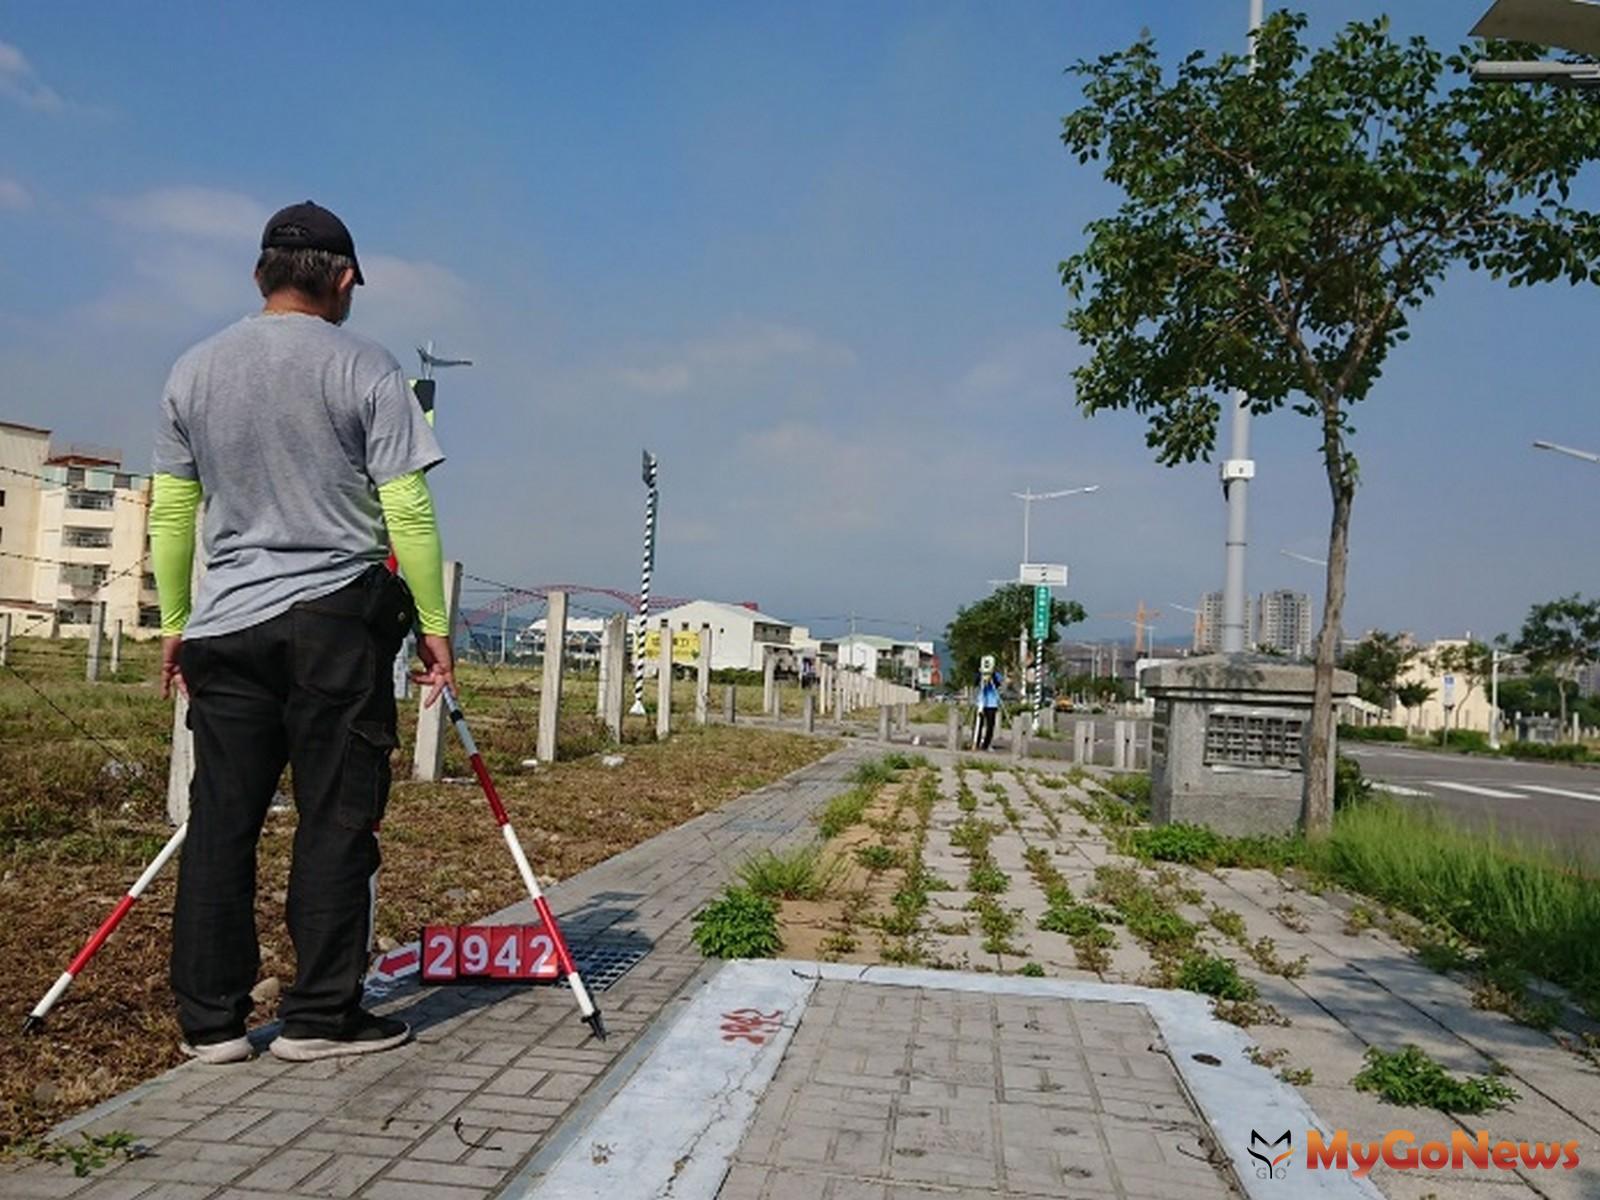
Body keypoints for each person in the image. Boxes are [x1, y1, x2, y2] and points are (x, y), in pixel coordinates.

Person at [149, 201, 455, 1064]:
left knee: (221, 821)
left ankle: (210, 1023)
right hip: (335, 625)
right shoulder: (368, 368)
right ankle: (321, 1015)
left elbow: (174, 511)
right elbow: (409, 510)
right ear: (346, 278)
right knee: (335, 817)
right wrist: (433, 627)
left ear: (260, 274)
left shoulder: (193, 369)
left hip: (225, 626)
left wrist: (177, 623)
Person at [975, 656, 1004, 750]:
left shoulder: (997, 675)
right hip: (981, 702)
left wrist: (992, 674)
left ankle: (986, 745)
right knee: (978, 724)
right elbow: (976, 682)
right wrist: (981, 674)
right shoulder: (980, 674)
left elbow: (997, 684)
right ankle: (976, 741)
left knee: (990, 726)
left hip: (992, 704)